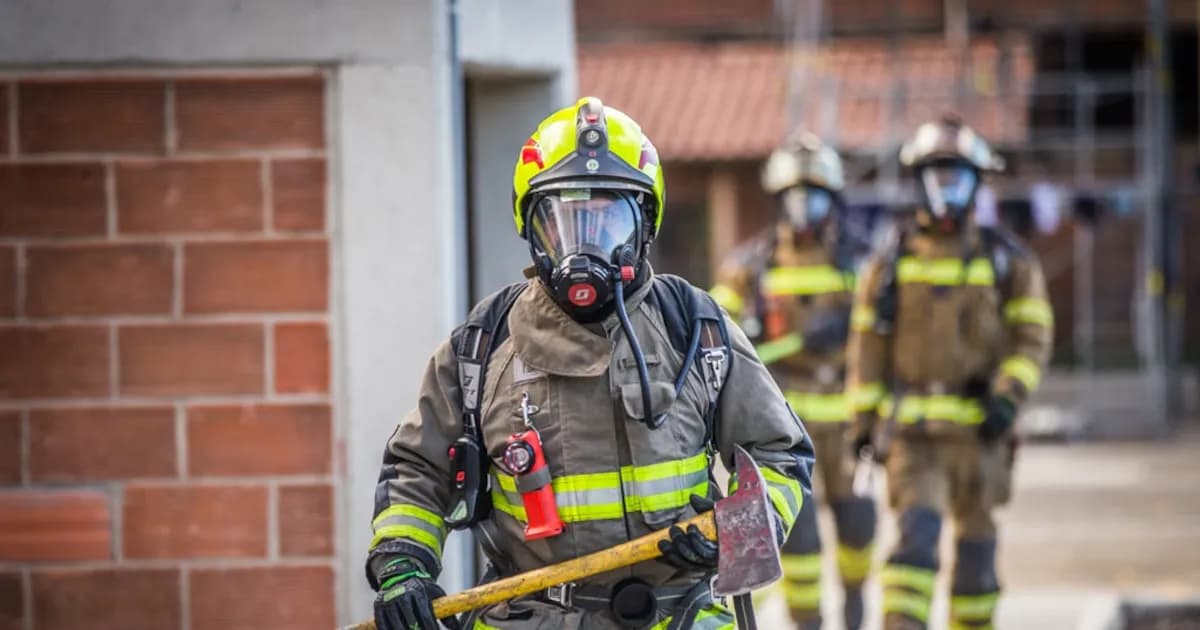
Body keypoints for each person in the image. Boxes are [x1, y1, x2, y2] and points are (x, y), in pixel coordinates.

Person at [367, 97, 816, 630]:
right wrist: (403, 565)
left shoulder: (695, 327)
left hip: (679, 614)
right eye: (565, 223)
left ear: (644, 227)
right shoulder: (483, 347)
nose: (586, 250)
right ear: (531, 228)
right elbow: (417, 469)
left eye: (607, 223)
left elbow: (780, 456)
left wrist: (731, 534)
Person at [847, 115, 1053, 630]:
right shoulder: (890, 263)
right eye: (937, 178)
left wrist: (1007, 396)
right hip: (914, 440)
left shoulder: (1008, 262)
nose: (946, 191)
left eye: (957, 178)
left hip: (983, 437)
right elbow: (868, 350)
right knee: (914, 547)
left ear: (977, 184)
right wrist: (862, 426)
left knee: (977, 567)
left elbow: (1032, 337)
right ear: (918, 182)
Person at [710, 134, 875, 630]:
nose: (805, 207)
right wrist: (753, 333)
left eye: (815, 194)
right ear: (779, 200)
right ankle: (809, 623)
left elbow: (882, 340)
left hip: (847, 424)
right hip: (783, 427)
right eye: (795, 196)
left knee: (858, 527)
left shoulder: (859, 263)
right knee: (800, 538)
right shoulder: (750, 268)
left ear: (832, 199)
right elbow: (717, 334)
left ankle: (854, 602)